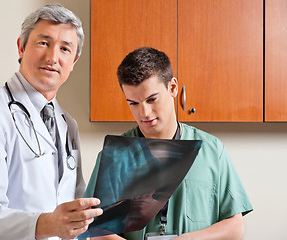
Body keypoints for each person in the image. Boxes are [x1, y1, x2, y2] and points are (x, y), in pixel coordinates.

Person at [0, 4, 102, 240]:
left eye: (65, 48)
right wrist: (46, 224)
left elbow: (71, 201)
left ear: (74, 61)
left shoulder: (67, 124)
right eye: (43, 43)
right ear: (21, 47)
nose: (53, 57)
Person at [86, 47, 253, 240]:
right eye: (133, 103)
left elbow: (235, 227)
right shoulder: (115, 156)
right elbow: (98, 232)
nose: (144, 113)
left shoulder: (212, 149)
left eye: (152, 99)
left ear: (173, 88)